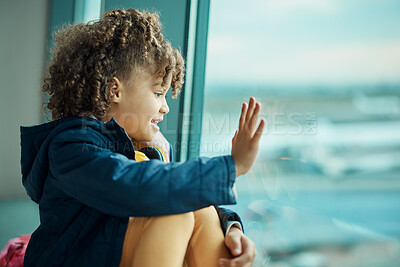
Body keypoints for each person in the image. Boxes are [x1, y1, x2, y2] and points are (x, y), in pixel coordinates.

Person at [20, 8, 264, 267]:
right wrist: (231, 166)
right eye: (158, 93)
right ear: (114, 90)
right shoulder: (71, 146)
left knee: (200, 209)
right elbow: (135, 187)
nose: (165, 107)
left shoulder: (143, 147)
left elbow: (181, 194)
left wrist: (232, 230)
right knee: (172, 213)